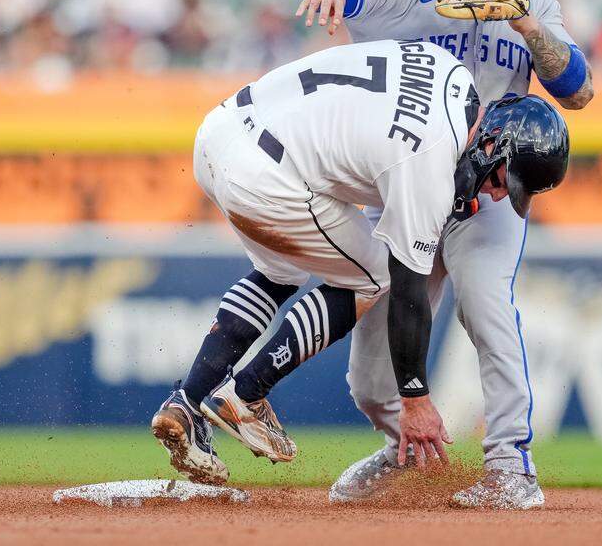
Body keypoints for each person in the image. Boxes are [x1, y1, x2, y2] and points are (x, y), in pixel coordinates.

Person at [293, 0, 593, 509]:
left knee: (489, 312)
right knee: (371, 379)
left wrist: (518, 13)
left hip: (487, 194)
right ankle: (407, 447)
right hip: (407, 192)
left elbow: (576, 90)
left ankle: (511, 468)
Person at [149, 39, 570, 498]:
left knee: (279, 273)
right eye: (501, 180)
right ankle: (246, 393)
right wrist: (415, 399)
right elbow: (409, 292)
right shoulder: (428, 158)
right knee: (377, 275)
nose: (496, 196)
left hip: (223, 131)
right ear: (491, 143)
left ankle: (186, 403)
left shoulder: (450, 73)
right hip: (269, 171)